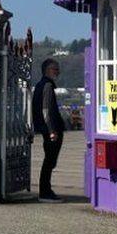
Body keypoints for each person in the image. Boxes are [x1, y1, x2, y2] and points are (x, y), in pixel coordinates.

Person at [32, 58, 65, 203]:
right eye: (54, 68)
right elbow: (46, 109)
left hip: (45, 128)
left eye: (57, 68)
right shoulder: (47, 86)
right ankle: (45, 192)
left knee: (49, 161)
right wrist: (52, 130)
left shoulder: (41, 85)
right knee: (49, 161)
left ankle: (46, 190)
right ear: (47, 70)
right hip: (50, 129)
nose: (57, 71)